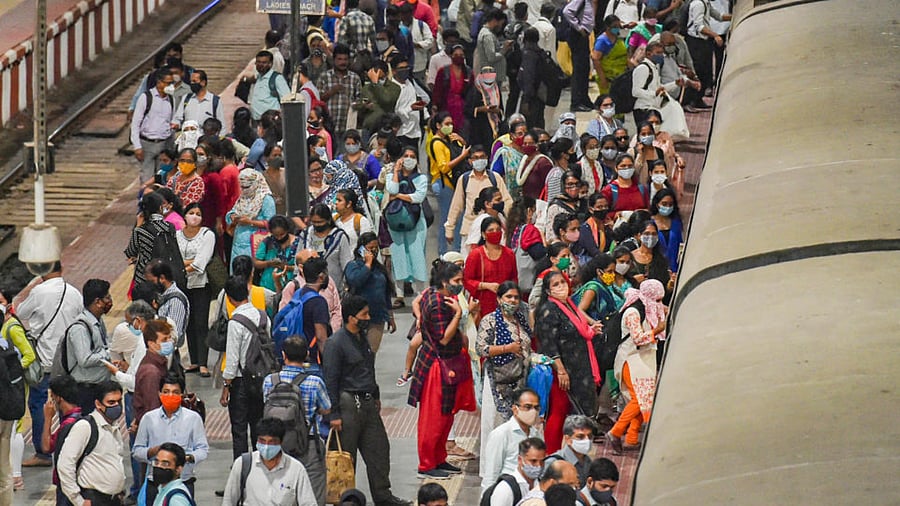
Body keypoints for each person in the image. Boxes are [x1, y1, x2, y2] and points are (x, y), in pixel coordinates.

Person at [323, 295, 411, 506]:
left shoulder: (363, 339)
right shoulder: (336, 344)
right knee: (346, 456)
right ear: (351, 317)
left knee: (379, 450)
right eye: (364, 314)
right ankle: (346, 499)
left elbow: (368, 369)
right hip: (347, 405)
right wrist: (333, 414)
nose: (368, 318)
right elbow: (330, 380)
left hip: (368, 402)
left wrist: (377, 394)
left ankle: (383, 496)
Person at [408, 261, 477, 479]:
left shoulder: (432, 293)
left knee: (446, 416)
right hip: (437, 367)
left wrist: (419, 317)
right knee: (434, 418)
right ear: (444, 281)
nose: (460, 284)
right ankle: (426, 464)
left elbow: (416, 303)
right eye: (456, 281)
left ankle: (439, 458)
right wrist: (457, 315)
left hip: (449, 364)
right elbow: (444, 339)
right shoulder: (439, 304)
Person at [11, 261, 82, 468]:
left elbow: (21, 312)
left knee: (39, 405)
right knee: (66, 406)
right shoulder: (74, 292)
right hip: (68, 361)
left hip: (43, 360)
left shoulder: (39, 291)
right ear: (62, 269)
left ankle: (43, 453)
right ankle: (68, 446)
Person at [534, 270, 604, 453]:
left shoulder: (569, 305)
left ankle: (573, 454)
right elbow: (549, 344)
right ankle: (551, 454)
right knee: (558, 413)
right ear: (548, 291)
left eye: (562, 282)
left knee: (575, 413)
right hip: (562, 372)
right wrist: (561, 370)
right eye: (555, 285)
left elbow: (579, 330)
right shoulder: (549, 310)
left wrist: (591, 330)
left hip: (579, 368)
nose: (561, 287)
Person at [263, 336, 332, 505]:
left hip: (276, 446)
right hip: (307, 445)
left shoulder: (270, 381)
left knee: (280, 493)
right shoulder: (315, 382)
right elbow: (326, 408)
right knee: (313, 494)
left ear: (283, 355)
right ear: (307, 355)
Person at [607, 279, 666, 454]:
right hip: (631, 360)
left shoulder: (647, 309)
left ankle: (632, 438)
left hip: (643, 360)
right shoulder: (633, 312)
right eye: (657, 300)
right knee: (638, 399)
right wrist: (658, 330)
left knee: (644, 399)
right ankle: (615, 432)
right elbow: (638, 338)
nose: (659, 304)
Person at [133, 374, 208, 498]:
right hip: (155, 482)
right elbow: (137, 451)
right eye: (166, 392)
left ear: (181, 395)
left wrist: (186, 458)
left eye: (175, 392)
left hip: (184, 481)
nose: (170, 396)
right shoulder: (148, 418)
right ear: (159, 394)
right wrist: (154, 452)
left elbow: (203, 450)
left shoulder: (193, 418)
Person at [221, 277, 270, 460]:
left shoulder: (236, 322)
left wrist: (226, 386)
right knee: (259, 427)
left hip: (241, 382)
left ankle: (241, 473)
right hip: (262, 379)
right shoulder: (264, 317)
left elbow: (233, 360)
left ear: (229, 298)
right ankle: (261, 467)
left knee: (239, 430)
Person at [56, 381, 127, 506]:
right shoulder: (85, 427)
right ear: (98, 404)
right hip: (93, 499)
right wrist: (78, 500)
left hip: (114, 499)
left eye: (119, 401)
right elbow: (65, 464)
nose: (117, 406)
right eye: (111, 402)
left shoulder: (114, 428)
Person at [221, 418, 318, 505]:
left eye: (272, 442)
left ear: (280, 442)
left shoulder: (296, 469)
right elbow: (229, 501)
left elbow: (308, 502)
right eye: (262, 441)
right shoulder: (242, 464)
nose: (266, 446)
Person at [61, 279, 114, 414]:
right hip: (85, 391)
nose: (110, 301)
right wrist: (108, 354)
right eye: (107, 297)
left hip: (98, 386)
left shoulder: (98, 321)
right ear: (97, 302)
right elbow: (84, 359)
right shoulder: (80, 328)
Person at [385, 146, 430, 302]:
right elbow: (391, 188)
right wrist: (396, 171)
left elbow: (418, 197)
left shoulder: (421, 178)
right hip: (395, 221)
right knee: (398, 256)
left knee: (417, 256)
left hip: (416, 222)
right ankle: (399, 295)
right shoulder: (391, 176)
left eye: (412, 156)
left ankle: (421, 293)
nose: (409, 159)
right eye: (406, 156)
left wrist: (397, 196)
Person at [175, 203, 214, 375]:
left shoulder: (207, 235)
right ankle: (194, 361)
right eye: (191, 213)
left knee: (201, 323)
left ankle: (204, 362)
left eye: (198, 214)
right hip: (182, 286)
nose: (195, 216)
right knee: (188, 323)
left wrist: (182, 266)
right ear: (184, 215)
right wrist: (187, 263)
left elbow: (201, 262)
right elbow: (173, 258)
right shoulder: (177, 236)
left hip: (201, 284)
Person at [480, 388, 541, 492]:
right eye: (527, 407)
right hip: (508, 492)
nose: (533, 412)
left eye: (536, 408)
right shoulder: (501, 434)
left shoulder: (536, 434)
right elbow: (491, 474)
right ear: (515, 409)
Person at [428, 112, 471, 255]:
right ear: (438, 126)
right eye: (446, 124)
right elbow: (444, 167)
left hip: (453, 183)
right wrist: (462, 157)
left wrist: (462, 141)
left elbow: (464, 151)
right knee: (447, 219)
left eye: (451, 123)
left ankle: (457, 250)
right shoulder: (436, 143)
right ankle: (443, 252)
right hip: (443, 183)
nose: (450, 126)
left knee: (456, 217)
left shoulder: (450, 139)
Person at [344, 233, 396, 352]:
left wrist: (390, 316)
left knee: (371, 352)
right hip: (357, 318)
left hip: (377, 317)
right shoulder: (353, 266)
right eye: (370, 248)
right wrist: (367, 265)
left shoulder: (379, 269)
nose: (374, 251)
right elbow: (356, 281)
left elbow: (386, 295)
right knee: (356, 353)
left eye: (376, 248)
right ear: (361, 249)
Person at [40, 375, 81, 504]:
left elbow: (46, 447)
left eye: (52, 397)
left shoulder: (67, 425)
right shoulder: (81, 417)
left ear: (58, 398)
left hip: (67, 484)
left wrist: (47, 418)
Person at [226, 169, 276, 271]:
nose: (244, 190)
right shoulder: (243, 197)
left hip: (257, 245)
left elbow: (272, 223)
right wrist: (233, 217)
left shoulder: (266, 199)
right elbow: (232, 212)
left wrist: (250, 222)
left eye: (247, 187)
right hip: (238, 244)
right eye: (242, 187)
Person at [131, 68, 175, 185]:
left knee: (162, 178)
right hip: (147, 144)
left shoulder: (170, 99)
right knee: (147, 178)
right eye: (167, 83)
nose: (170, 86)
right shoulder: (146, 98)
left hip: (163, 145)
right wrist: (137, 146)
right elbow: (135, 123)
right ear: (159, 82)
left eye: (172, 83)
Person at [297, 203, 354, 290]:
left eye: (320, 222)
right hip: (307, 288)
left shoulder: (339, 237)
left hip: (333, 288)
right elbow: (298, 259)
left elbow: (346, 264)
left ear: (328, 220)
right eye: (314, 222)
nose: (316, 225)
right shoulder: (306, 235)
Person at [631, 41, 687, 125]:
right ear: (648, 54)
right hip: (643, 108)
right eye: (658, 53)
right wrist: (654, 93)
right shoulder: (643, 68)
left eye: (662, 53)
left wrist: (675, 84)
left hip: (653, 107)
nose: (661, 56)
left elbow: (659, 87)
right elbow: (636, 91)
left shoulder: (654, 68)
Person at [685, 0, 731, 101]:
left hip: (703, 41)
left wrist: (733, 17)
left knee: (705, 70)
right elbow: (699, 26)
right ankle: (693, 99)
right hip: (696, 41)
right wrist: (715, 35)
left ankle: (699, 99)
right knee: (699, 70)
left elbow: (719, 16)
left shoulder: (706, 3)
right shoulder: (699, 5)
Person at [133, 319, 174, 425]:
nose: (169, 342)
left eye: (170, 338)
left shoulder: (160, 363)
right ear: (152, 344)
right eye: (164, 340)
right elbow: (153, 409)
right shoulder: (151, 372)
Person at [317, 44, 362, 136]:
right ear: (334, 60)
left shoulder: (355, 78)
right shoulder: (324, 77)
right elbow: (318, 101)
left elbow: (358, 100)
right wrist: (332, 91)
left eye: (345, 59)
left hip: (347, 127)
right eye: (339, 59)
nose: (343, 62)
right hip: (328, 126)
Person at [563, 0, 597, 111]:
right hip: (578, 36)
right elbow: (567, 11)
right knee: (578, 70)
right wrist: (578, 27)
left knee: (584, 68)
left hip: (584, 35)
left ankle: (584, 99)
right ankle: (576, 102)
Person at [432, 45, 473, 136]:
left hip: (463, 109)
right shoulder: (443, 71)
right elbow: (437, 90)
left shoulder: (469, 72)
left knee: (464, 132)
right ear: (451, 56)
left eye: (461, 55)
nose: (459, 56)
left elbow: (471, 90)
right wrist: (435, 106)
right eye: (456, 54)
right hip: (446, 107)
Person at [545, 415, 597, 488]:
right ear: (568, 439)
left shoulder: (588, 461)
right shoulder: (553, 463)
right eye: (580, 437)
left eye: (589, 436)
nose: (587, 440)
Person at [254, 215, 300, 292]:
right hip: (268, 286)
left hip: (291, 287)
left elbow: (302, 267)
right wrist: (269, 263)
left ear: (287, 230)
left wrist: (287, 267)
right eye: (276, 235)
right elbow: (256, 262)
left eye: (282, 234)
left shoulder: (298, 243)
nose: (279, 238)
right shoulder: (267, 242)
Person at [243, 51, 291, 121]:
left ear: (270, 64)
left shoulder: (277, 79)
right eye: (258, 62)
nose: (260, 65)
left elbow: (287, 100)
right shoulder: (258, 78)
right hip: (256, 121)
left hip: (270, 123)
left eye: (264, 63)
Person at [466, 65, 504, 144]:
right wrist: (481, 109)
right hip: (478, 127)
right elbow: (467, 109)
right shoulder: (474, 90)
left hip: (493, 126)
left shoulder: (496, 90)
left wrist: (496, 110)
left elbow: (501, 109)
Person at [517, 28, 546, 130]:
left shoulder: (529, 55)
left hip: (532, 97)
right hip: (540, 96)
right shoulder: (540, 53)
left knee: (529, 126)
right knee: (539, 122)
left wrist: (526, 101)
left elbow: (529, 78)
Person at [650, 188, 683, 273]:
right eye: (664, 204)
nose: (667, 207)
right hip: (655, 268)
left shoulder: (676, 223)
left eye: (670, 204)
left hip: (674, 268)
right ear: (657, 204)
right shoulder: (650, 223)